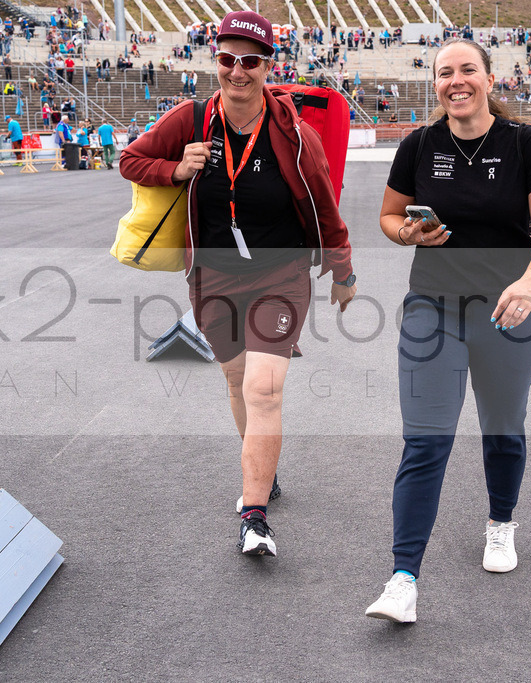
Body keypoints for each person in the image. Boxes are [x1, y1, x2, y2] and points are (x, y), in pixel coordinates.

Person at [120, 10, 356, 559]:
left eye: (250, 60)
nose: (238, 70)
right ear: (216, 61)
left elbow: (325, 207)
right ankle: (263, 467)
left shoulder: (294, 133)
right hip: (214, 276)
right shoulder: (190, 119)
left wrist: (343, 271)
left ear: (268, 66)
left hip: (281, 275)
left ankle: (255, 516)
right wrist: (176, 170)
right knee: (236, 380)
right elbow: (132, 160)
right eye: (227, 58)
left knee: (264, 389)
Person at [364, 38, 531, 623]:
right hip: (432, 307)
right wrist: (408, 233)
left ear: (489, 78)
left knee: (502, 429)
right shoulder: (419, 145)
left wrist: (529, 283)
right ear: (436, 83)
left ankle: (501, 522)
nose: (457, 80)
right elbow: (389, 216)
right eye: (445, 72)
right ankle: (403, 579)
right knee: (425, 440)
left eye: (468, 69)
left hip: (508, 310)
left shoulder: (525, 143)